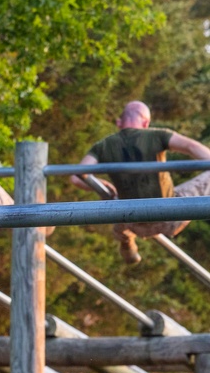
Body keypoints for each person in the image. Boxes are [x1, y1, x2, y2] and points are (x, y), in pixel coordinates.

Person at [70, 100, 210, 264]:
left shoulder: (104, 145)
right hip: (170, 218)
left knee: (115, 200)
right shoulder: (156, 135)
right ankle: (127, 240)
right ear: (146, 122)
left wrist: (102, 182)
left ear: (119, 123)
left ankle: (126, 241)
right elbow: (190, 146)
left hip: (132, 221)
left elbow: (76, 177)